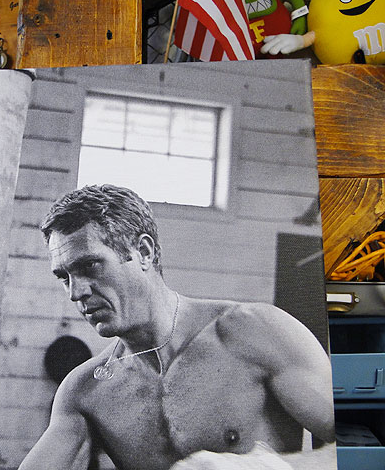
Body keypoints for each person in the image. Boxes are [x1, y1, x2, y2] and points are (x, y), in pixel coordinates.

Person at [19, 184, 335, 470]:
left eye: (90, 266)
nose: (76, 292)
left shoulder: (256, 331)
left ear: (143, 252)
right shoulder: (85, 391)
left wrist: (266, 468)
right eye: (64, 277)